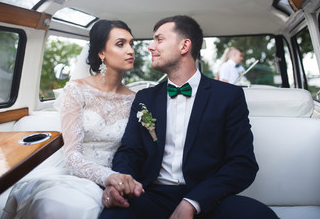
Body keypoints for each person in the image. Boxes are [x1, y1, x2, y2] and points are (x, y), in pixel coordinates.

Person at [99, 15, 278, 219]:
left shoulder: (228, 96)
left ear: (184, 46)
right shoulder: (145, 98)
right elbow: (129, 151)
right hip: (151, 195)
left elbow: (242, 163)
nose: (150, 47)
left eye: (159, 39)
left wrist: (193, 202)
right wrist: (121, 182)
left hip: (209, 198)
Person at [1, 19, 142, 219]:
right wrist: (107, 176)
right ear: (102, 53)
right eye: (121, 44)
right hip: (79, 177)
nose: (130, 50)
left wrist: (120, 179)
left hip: (119, 179)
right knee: (55, 207)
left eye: (131, 44)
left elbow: (135, 151)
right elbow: (72, 156)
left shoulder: (135, 100)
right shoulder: (77, 91)